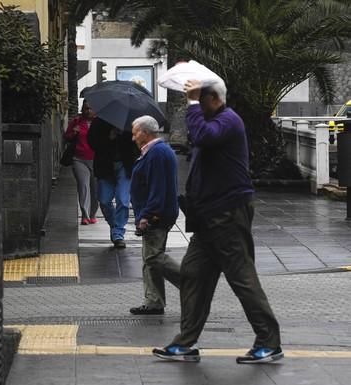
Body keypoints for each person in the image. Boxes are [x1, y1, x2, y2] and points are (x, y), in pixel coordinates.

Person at [152, 79, 283, 364]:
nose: (197, 105)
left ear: (213, 98)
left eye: (201, 100)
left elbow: (203, 136)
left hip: (227, 213)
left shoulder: (228, 121)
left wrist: (191, 104)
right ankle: (186, 342)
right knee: (193, 274)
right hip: (208, 217)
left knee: (241, 277)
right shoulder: (213, 121)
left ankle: (269, 341)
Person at [129, 115, 181, 315]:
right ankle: (154, 301)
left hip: (157, 214)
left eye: (135, 134)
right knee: (148, 257)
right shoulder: (155, 152)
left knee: (153, 257)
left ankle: (191, 284)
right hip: (156, 212)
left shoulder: (157, 154)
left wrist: (147, 215)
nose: (133, 138)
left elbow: (157, 188)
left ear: (145, 132)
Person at [88, 117, 138, 248]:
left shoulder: (131, 122)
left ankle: (118, 233)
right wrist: (109, 137)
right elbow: (92, 143)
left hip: (125, 166)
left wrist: (126, 137)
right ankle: (114, 225)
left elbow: (138, 144)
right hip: (105, 166)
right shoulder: (99, 121)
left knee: (123, 199)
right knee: (104, 200)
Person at [64, 101, 99, 225]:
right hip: (79, 159)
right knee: (83, 186)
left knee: (95, 189)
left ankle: (93, 213)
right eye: (86, 108)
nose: (88, 111)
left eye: (90, 108)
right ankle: (84, 215)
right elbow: (67, 137)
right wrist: (74, 132)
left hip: (97, 160)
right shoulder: (77, 121)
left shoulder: (100, 122)